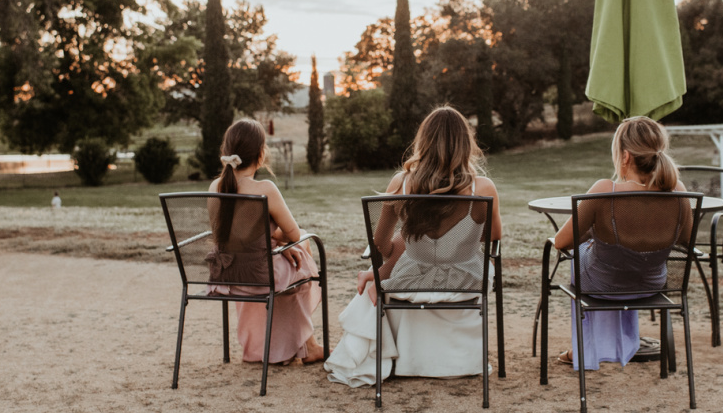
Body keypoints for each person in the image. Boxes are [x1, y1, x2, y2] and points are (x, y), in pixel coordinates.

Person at [324, 105, 502, 387]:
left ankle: (390, 348)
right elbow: (492, 237)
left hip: (410, 283)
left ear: (424, 142)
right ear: (466, 145)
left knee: (403, 253)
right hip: (466, 281)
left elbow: (380, 242)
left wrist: (404, 245)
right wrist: (456, 240)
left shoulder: (402, 183)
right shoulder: (483, 188)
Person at [553, 116, 691, 370]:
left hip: (603, 286)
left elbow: (561, 241)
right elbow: (686, 240)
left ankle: (585, 349)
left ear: (625, 156)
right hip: (651, 285)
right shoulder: (678, 190)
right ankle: (616, 343)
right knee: (605, 260)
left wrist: (596, 232)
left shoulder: (605, 189)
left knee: (584, 256)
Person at [207, 119, 324, 365]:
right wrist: (280, 242)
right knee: (302, 245)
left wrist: (270, 239)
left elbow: (226, 235)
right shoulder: (264, 188)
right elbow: (292, 234)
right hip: (261, 275)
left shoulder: (215, 186)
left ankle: (277, 348)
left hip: (226, 276)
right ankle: (307, 346)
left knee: (293, 259)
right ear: (260, 155)